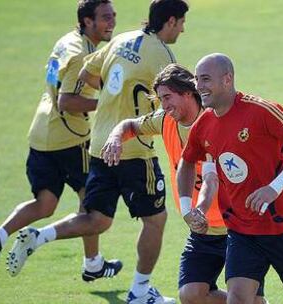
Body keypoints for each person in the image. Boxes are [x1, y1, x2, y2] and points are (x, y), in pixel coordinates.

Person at [7, 1, 189, 303]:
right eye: (181, 22)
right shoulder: (161, 54)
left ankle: (40, 236)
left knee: (98, 218)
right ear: (170, 21)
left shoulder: (121, 39)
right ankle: (140, 291)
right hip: (133, 149)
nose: (183, 29)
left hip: (99, 145)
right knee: (155, 220)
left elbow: (88, 73)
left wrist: (112, 97)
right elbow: (176, 101)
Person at [101, 63, 268, 304]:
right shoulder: (164, 120)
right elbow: (130, 125)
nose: (164, 105)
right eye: (160, 99)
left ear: (188, 92)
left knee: (242, 298)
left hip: (237, 228)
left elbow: (211, 179)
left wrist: (195, 209)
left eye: (168, 97)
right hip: (203, 229)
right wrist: (115, 137)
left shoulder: (216, 122)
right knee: (191, 295)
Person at [177, 53, 283, 304]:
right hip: (242, 230)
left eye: (205, 79)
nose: (199, 86)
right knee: (238, 299)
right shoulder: (204, 123)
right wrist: (187, 208)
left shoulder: (262, 111)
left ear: (227, 79)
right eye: (197, 79)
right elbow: (187, 162)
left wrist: (273, 189)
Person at [0, 0, 121, 281]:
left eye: (113, 16)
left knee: (45, 203)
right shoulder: (82, 54)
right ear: (87, 21)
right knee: (92, 207)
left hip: (41, 132)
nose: (112, 23)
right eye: (105, 18)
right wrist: (105, 104)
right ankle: (90, 261)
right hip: (70, 139)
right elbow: (67, 101)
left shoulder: (67, 41)